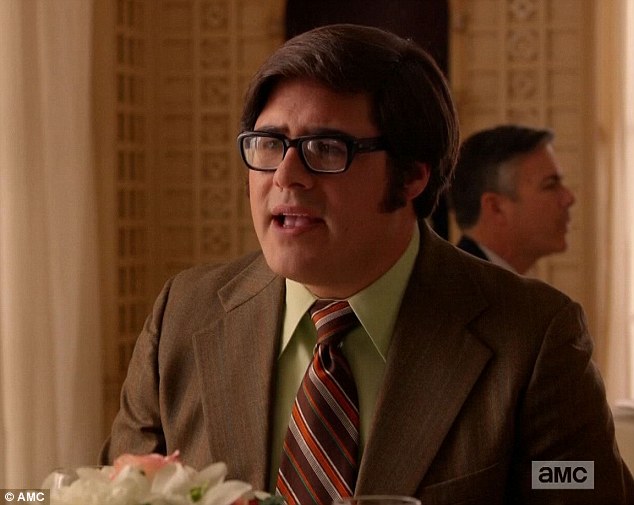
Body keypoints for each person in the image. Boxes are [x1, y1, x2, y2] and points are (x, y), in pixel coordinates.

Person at [101, 24, 633, 504]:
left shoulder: (533, 335)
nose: (285, 176)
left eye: (326, 148)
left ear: (413, 176)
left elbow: (581, 486)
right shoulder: (183, 315)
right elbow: (116, 491)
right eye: (268, 144)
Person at [449, 125, 576, 274]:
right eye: (550, 185)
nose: (569, 198)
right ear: (496, 207)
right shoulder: (456, 285)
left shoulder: (478, 278)